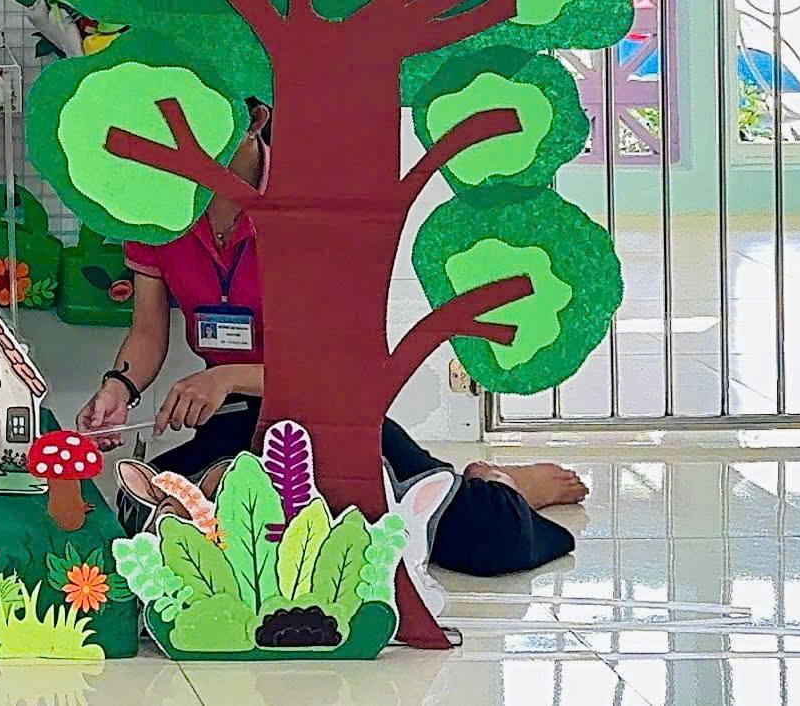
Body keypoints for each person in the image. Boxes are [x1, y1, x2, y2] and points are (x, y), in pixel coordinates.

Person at [74, 101, 586, 578]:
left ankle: (499, 482)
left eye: (205, 124)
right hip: (236, 419)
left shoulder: (309, 206)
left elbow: (341, 365)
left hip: (328, 411)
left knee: (485, 539)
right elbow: (147, 332)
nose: (184, 144)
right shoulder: (161, 212)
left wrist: (227, 376)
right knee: (151, 517)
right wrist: (118, 388)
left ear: (255, 120)